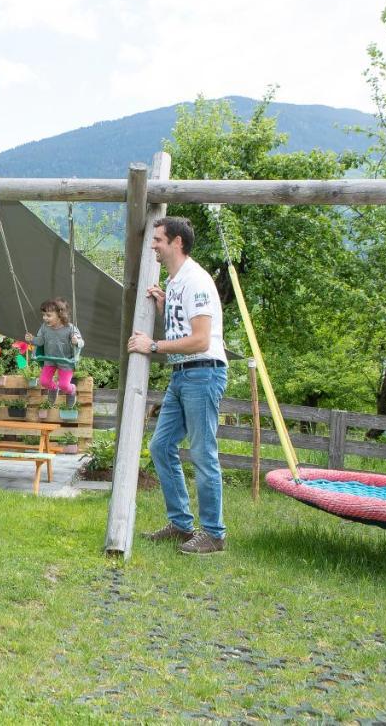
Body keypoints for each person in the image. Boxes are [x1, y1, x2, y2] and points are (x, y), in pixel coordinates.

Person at [127, 216, 228, 555]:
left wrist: (153, 345)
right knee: (160, 446)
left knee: (202, 453)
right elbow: (182, 330)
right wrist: (163, 305)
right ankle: (182, 524)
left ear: (177, 243)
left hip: (203, 372)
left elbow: (200, 340)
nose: (153, 245)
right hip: (183, 373)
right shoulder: (176, 283)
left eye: (158, 240)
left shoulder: (196, 281)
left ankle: (213, 534)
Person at [26, 298, 84, 408]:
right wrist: (32, 339)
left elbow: (82, 343)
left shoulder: (70, 328)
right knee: (44, 382)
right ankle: (53, 388)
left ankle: (71, 391)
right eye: (43, 315)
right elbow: (40, 341)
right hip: (50, 359)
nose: (44, 318)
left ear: (60, 314)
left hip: (66, 361)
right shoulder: (44, 327)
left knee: (64, 385)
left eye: (48, 315)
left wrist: (76, 341)